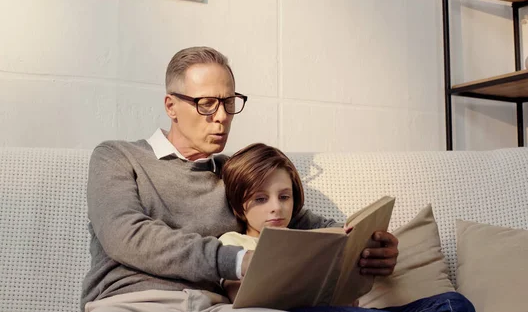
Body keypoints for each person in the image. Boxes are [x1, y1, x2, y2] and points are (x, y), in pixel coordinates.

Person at [81, 46, 471, 312]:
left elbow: (305, 226)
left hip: (220, 308)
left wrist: (368, 246)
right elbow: (127, 235)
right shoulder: (118, 157)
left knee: (451, 306)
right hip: (139, 303)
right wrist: (240, 261)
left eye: (229, 103)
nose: (221, 117)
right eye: (206, 104)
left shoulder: (237, 173)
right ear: (171, 106)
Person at [218, 143, 475, 312]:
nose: (276, 208)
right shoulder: (233, 243)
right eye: (260, 199)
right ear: (240, 208)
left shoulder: (314, 236)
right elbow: (241, 299)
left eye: (284, 197)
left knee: (453, 303)